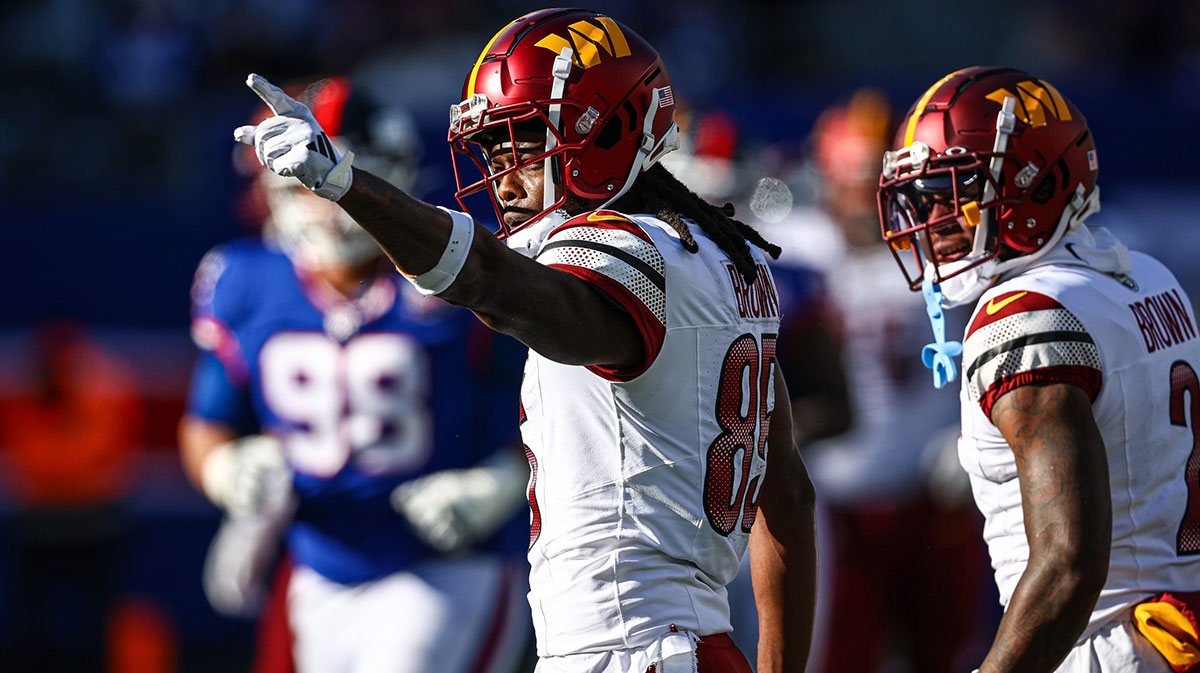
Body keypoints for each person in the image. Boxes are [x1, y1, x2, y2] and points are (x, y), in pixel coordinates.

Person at [232, 8, 816, 672]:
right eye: (492, 149)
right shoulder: (727, 261)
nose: (503, 176)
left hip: (630, 650)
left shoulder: (629, 250)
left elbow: (499, 285)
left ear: (610, 130)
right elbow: (788, 492)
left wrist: (349, 187)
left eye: (522, 144)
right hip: (687, 643)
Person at [179, 75, 532, 673]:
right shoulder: (244, 279)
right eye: (304, 183)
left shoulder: (451, 271)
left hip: (446, 564)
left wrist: (498, 483)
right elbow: (208, 422)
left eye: (336, 177)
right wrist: (226, 475)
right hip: (320, 570)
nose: (322, 204)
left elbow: (554, 406)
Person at [877, 66, 1200, 672]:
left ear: (1039, 182)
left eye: (959, 188)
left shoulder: (1023, 315)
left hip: (1108, 644)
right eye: (924, 195)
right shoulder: (1146, 277)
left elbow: (1067, 565)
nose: (936, 216)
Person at [763, 89, 991, 673]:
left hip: (935, 491)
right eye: (853, 179)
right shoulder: (797, 249)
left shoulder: (947, 249)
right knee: (841, 655)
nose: (866, 200)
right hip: (834, 502)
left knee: (945, 651)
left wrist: (976, 434)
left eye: (876, 181)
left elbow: (995, 350)